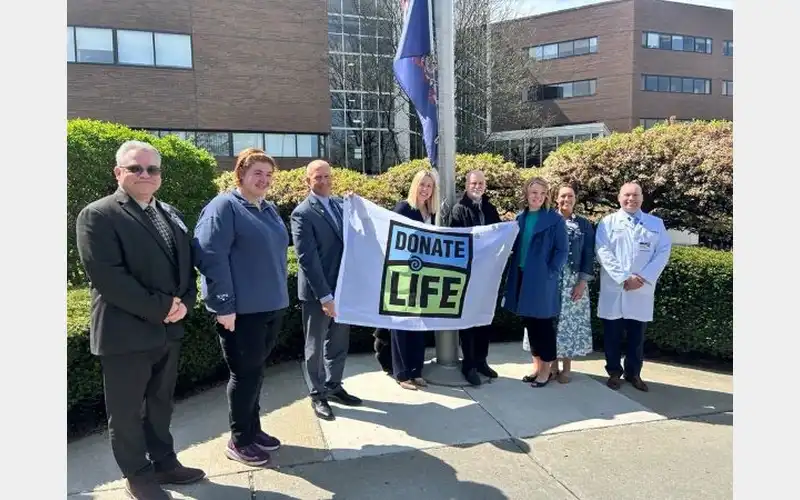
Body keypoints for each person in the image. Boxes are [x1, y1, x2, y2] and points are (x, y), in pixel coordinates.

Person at [75, 141, 205, 500]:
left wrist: (186, 302)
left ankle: (164, 462)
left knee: (161, 403)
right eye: (136, 168)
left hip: (168, 330)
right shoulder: (98, 215)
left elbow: (185, 265)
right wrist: (164, 306)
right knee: (128, 412)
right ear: (118, 173)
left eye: (152, 169)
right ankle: (137, 474)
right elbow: (109, 277)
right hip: (125, 334)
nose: (145, 175)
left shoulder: (170, 211)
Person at [192, 148, 289, 467]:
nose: (264, 180)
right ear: (241, 175)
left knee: (257, 373)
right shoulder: (224, 207)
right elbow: (211, 256)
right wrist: (223, 305)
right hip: (240, 312)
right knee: (244, 375)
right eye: (257, 173)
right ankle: (239, 439)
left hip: (269, 308)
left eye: (268, 174)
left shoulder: (268, 209)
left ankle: (253, 428)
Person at [290, 160, 362, 420]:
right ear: (308, 181)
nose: (324, 181)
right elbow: (307, 260)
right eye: (318, 177)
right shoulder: (302, 213)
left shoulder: (341, 206)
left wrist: (357, 203)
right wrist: (325, 296)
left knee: (339, 342)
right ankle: (317, 395)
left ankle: (334, 385)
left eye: (327, 176)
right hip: (318, 294)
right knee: (316, 345)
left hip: (343, 290)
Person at [595, 182, 672, 392]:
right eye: (627, 195)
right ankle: (613, 372)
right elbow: (603, 252)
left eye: (635, 195)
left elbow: (663, 252)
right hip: (616, 288)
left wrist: (642, 277)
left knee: (637, 337)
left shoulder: (656, 224)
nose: (631, 199)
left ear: (642, 197)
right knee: (612, 336)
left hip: (641, 289)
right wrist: (623, 278)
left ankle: (634, 373)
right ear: (619, 198)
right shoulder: (608, 222)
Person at [502, 177, 568, 388]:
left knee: (543, 325)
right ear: (526, 194)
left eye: (541, 193)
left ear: (546, 195)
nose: (537, 197)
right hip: (522, 276)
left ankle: (547, 370)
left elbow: (562, 250)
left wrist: (551, 271)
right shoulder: (520, 218)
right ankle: (538, 367)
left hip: (541, 279)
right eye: (533, 193)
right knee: (530, 325)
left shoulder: (554, 219)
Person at [449, 169, 503, 386]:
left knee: (484, 319)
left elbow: (500, 234)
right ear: (467, 185)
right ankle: (469, 365)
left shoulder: (490, 208)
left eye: (481, 183)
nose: (478, 186)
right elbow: (456, 240)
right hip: (468, 275)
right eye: (474, 183)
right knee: (469, 322)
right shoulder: (459, 209)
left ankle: (481, 361)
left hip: (487, 275)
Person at [390, 169, 439, 390]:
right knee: (401, 324)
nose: (425, 189)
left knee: (419, 324)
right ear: (415, 186)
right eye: (422, 185)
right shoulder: (403, 208)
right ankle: (401, 374)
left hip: (424, 276)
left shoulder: (432, 213)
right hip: (403, 275)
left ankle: (416, 370)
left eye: (429, 186)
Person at [549, 184, 596, 384]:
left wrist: (582, 282)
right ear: (556, 199)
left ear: (575, 199)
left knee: (568, 324)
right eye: (563, 196)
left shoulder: (584, 224)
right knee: (550, 321)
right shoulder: (549, 220)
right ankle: (551, 366)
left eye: (570, 196)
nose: (566, 199)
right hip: (552, 279)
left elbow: (588, 253)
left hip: (573, 279)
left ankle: (566, 366)